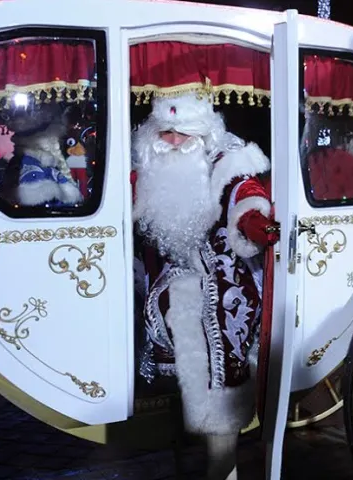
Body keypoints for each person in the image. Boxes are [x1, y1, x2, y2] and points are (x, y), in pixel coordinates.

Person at [132, 91, 279, 480]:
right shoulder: (147, 170)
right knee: (175, 309)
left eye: (184, 134)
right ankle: (208, 440)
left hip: (226, 274)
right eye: (166, 134)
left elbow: (244, 195)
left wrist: (254, 222)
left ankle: (222, 452)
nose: (175, 142)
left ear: (203, 134)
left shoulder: (225, 162)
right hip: (171, 275)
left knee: (209, 328)